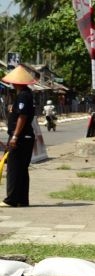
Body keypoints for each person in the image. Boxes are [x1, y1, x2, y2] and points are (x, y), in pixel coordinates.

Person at [1, 65, 37, 207]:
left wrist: (15, 136)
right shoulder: (27, 95)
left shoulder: (23, 96)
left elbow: (22, 116)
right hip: (26, 137)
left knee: (14, 168)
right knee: (22, 169)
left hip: (21, 137)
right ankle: (22, 199)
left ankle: (12, 199)